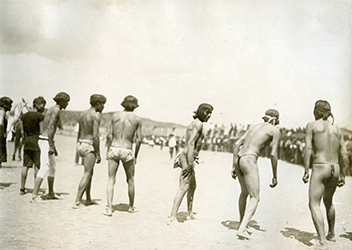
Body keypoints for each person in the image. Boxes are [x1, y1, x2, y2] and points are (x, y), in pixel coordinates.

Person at [302, 100, 348, 249]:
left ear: (316, 111)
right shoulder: (337, 129)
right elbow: (344, 153)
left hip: (320, 167)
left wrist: (306, 170)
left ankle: (322, 242)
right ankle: (332, 234)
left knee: (314, 204)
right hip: (334, 168)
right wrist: (343, 174)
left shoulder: (312, 126)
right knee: (328, 201)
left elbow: (308, 148)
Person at [231, 109, 280, 239]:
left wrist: (233, 165)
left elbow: (236, 144)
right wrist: (275, 175)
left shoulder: (254, 126)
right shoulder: (275, 130)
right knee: (255, 197)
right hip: (249, 159)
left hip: (239, 158)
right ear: (275, 120)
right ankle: (241, 229)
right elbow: (273, 154)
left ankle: (242, 224)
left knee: (244, 192)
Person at [169, 103, 213, 223]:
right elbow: (190, 143)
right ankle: (172, 216)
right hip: (187, 158)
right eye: (206, 112)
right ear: (201, 111)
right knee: (183, 188)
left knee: (192, 186)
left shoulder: (195, 123)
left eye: (210, 113)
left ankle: (189, 213)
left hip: (188, 157)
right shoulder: (198, 124)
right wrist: (189, 163)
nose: (209, 115)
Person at [104, 95, 142, 216]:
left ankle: (109, 208)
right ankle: (131, 206)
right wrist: (135, 155)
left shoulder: (115, 116)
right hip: (127, 148)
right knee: (130, 179)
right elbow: (139, 139)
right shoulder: (137, 119)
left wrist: (107, 151)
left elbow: (109, 135)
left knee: (111, 179)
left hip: (114, 147)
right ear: (135, 105)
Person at [31, 92, 70, 203]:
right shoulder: (56, 110)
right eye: (67, 102)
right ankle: (34, 195)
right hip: (45, 140)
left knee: (52, 166)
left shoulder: (52, 109)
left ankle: (51, 192)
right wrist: (51, 145)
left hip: (47, 139)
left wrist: (52, 143)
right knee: (44, 167)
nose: (67, 104)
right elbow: (51, 127)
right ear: (61, 101)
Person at [73, 94, 106, 208]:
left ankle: (88, 198)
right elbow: (95, 136)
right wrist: (98, 153)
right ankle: (77, 201)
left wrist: (78, 145)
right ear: (97, 103)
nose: (103, 107)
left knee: (90, 173)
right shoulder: (96, 116)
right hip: (89, 144)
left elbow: (79, 132)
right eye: (103, 104)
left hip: (81, 143)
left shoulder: (82, 114)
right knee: (87, 174)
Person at [20, 97, 46, 195]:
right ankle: (36, 188)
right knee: (37, 166)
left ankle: (22, 188)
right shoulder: (40, 116)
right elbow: (41, 131)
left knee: (25, 166)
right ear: (37, 105)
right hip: (36, 141)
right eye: (42, 104)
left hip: (27, 141)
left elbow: (23, 132)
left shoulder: (25, 116)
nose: (43, 107)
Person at [0, 97, 13, 167]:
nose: (10, 106)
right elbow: (1, 122)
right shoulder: (2, 112)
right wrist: (3, 133)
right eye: (9, 105)